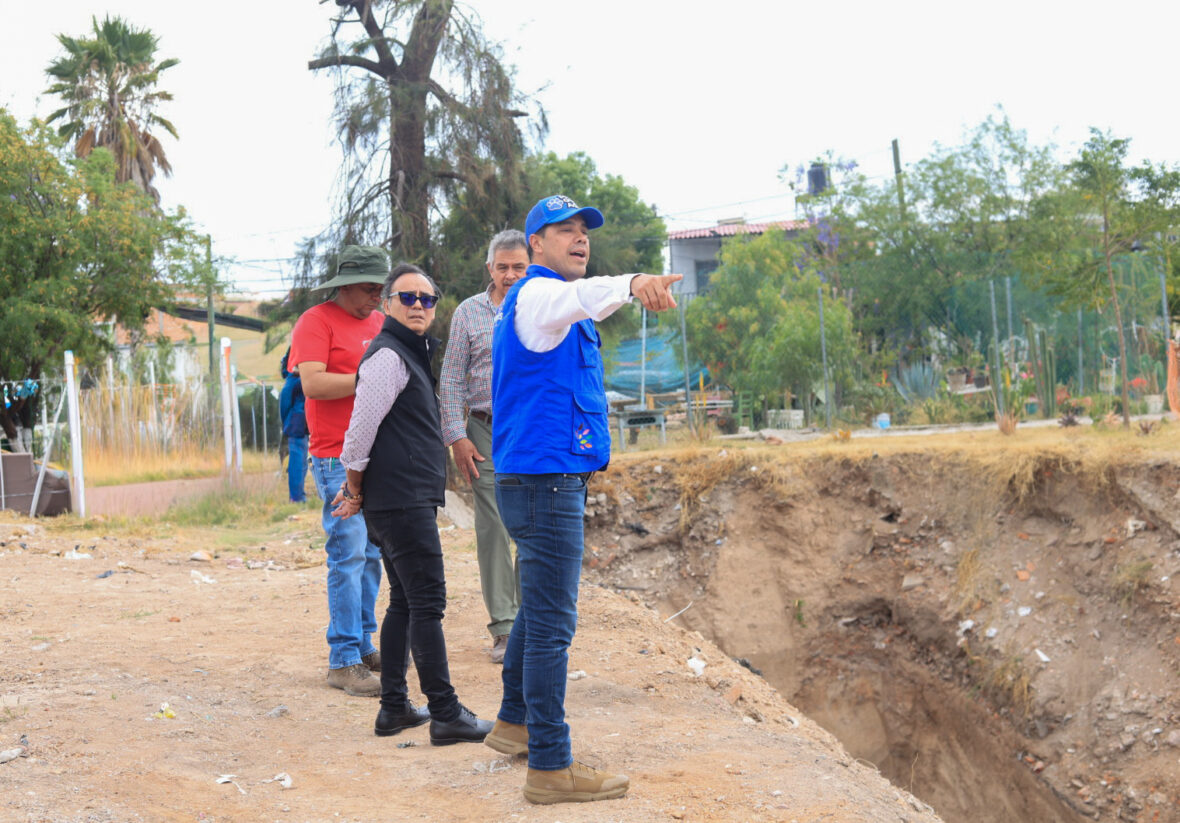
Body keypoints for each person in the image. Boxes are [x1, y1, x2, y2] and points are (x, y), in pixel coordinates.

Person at [483, 195, 681, 804]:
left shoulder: (549, 305)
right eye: (562, 231)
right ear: (534, 245)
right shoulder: (541, 296)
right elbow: (581, 296)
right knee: (550, 624)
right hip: (545, 484)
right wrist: (636, 282)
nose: (578, 238)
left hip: (541, 480)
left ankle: (514, 725)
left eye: (583, 231)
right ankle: (549, 766)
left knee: (536, 615)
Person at [332, 263, 493, 746]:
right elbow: (358, 432)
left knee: (404, 601)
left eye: (428, 298)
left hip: (401, 499)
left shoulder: (408, 352)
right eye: (408, 297)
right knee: (428, 603)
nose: (419, 305)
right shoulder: (387, 357)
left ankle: (394, 708)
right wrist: (354, 487)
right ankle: (446, 713)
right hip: (398, 500)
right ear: (387, 304)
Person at [289, 246, 387, 697]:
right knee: (347, 553)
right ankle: (343, 658)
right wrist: (369, 378)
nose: (376, 296)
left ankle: (364, 643)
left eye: (380, 288)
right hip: (334, 455)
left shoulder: (379, 322)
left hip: (374, 454)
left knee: (370, 555)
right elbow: (312, 382)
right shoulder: (316, 321)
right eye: (369, 288)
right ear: (344, 286)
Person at [439, 229, 527, 665]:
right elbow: (452, 377)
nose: (510, 275)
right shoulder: (469, 313)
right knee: (493, 522)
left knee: (531, 519)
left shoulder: (543, 302)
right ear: (489, 267)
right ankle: (505, 627)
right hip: (484, 429)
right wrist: (455, 435)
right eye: (503, 267)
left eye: (519, 267)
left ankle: (531, 623)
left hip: (531, 428)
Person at [279, 349, 308, 503]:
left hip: (298, 422)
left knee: (300, 460)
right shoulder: (296, 380)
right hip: (298, 423)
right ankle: (296, 497)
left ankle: (298, 495)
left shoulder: (294, 379)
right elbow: (284, 403)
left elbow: (284, 404)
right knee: (298, 460)